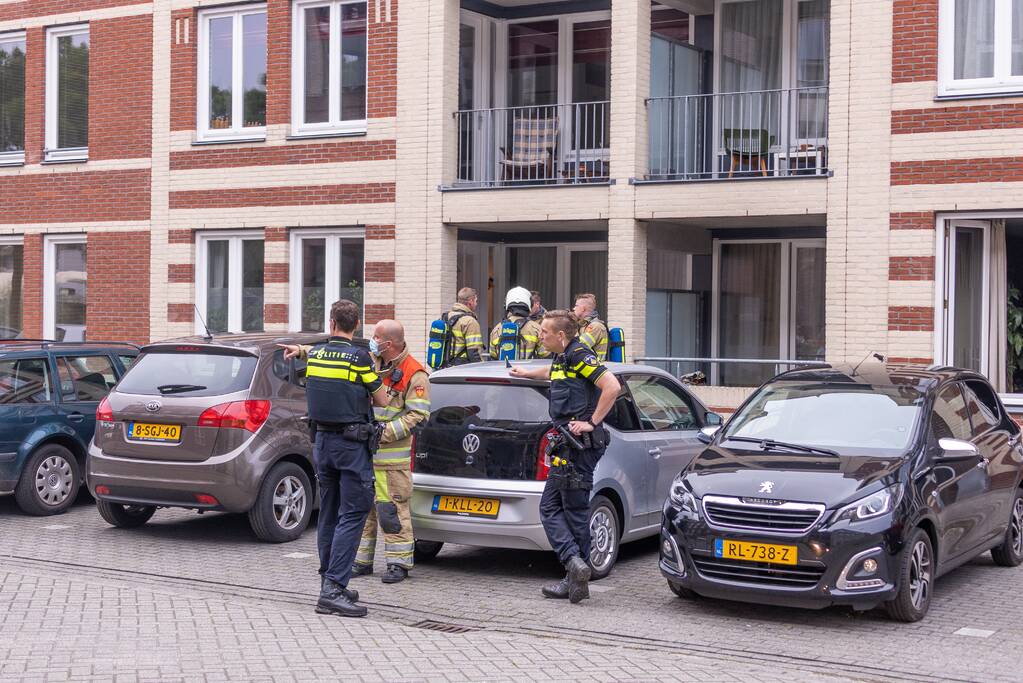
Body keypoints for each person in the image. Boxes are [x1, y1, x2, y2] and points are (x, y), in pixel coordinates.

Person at [280, 300, 389, 618]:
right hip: (351, 448)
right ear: (357, 325)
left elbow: (312, 353)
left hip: (322, 445)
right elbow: (382, 399)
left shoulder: (317, 355)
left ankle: (329, 581)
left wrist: (299, 350)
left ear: (331, 324)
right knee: (353, 514)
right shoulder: (359, 359)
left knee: (329, 513)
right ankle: (332, 590)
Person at [509, 310, 620, 604]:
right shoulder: (563, 357)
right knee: (572, 511)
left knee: (554, 508)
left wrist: (592, 422)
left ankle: (572, 562)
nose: (539, 336)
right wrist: (527, 373)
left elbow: (612, 386)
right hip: (569, 446)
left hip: (578, 446)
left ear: (560, 335)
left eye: (544, 332)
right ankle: (576, 581)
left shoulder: (579, 355)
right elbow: (551, 373)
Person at [351, 319, 430, 584]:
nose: (372, 340)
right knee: (363, 511)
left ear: (389, 343)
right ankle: (361, 561)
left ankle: (398, 563)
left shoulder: (414, 373)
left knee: (391, 511)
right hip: (365, 456)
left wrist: (382, 433)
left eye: (376, 336)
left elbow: (418, 416)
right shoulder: (370, 363)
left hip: (391, 461)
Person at [489, 286, 547, 361]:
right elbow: (545, 357)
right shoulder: (536, 329)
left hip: (502, 369)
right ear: (530, 304)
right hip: (528, 369)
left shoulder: (496, 330)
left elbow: (493, 359)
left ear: (506, 305)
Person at [440, 287, 485, 367]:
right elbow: (474, 352)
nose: (476, 304)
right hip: (461, 368)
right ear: (470, 301)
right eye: (476, 301)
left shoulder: (445, 317)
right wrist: (481, 368)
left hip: (444, 368)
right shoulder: (470, 322)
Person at [573, 293, 609, 362]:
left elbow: (578, 347)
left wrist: (571, 326)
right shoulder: (583, 325)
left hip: (595, 366)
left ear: (583, 309)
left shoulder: (596, 326)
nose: (574, 308)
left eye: (576, 306)